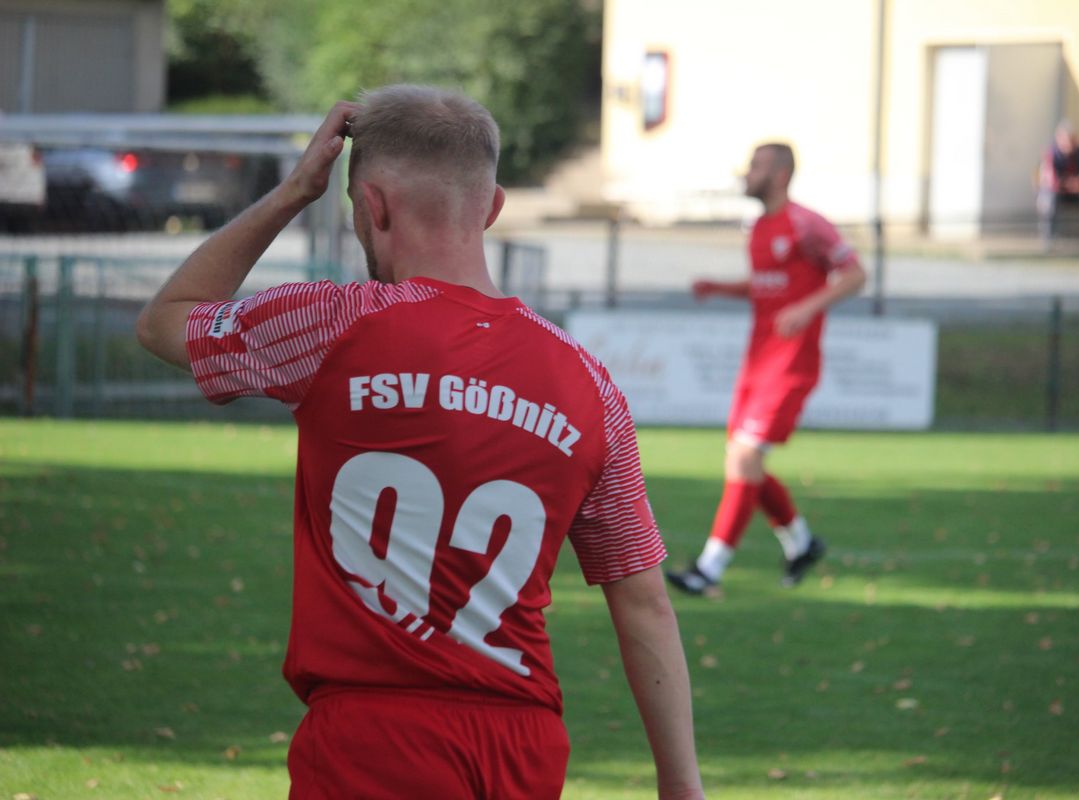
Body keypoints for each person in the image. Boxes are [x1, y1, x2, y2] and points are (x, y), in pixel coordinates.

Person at [137, 84, 703, 800]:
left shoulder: (332, 323)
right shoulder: (591, 385)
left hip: (374, 735)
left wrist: (292, 194)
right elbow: (643, 601)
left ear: (371, 208)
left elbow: (166, 320)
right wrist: (682, 786)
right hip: (523, 746)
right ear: (493, 209)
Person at [667, 143, 865, 597]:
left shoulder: (807, 224)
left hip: (792, 363)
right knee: (743, 462)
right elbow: (765, 287)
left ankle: (709, 569)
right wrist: (718, 288)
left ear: (780, 174)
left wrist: (808, 308)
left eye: (755, 166)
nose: (747, 173)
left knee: (744, 458)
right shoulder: (758, 228)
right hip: (757, 362)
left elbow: (856, 275)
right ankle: (801, 543)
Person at [1037, 121, 1079, 249]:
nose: (1069, 144)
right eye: (1066, 140)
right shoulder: (1051, 154)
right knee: (1047, 200)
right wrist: (1068, 183)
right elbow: (1051, 181)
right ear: (1058, 139)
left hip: (1078, 191)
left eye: (1072, 140)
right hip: (1057, 191)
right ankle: (1048, 240)